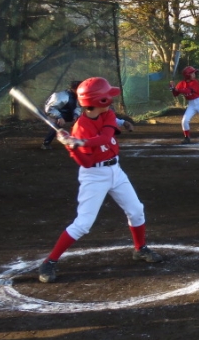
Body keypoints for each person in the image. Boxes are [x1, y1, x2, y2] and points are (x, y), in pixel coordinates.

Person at [37, 77, 162, 283]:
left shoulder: (108, 115)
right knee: (83, 224)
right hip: (94, 176)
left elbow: (105, 138)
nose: (111, 99)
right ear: (99, 100)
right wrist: (71, 146)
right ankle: (49, 261)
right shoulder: (80, 127)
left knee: (136, 210)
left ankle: (140, 249)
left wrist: (79, 142)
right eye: (107, 96)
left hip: (116, 170)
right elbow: (85, 162)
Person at [41, 81, 133, 150]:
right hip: (54, 114)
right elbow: (49, 108)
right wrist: (59, 117)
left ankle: (79, 140)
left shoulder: (78, 96)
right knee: (55, 126)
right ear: (74, 89)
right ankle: (46, 144)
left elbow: (77, 107)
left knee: (81, 123)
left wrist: (75, 115)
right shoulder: (61, 96)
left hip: (68, 115)